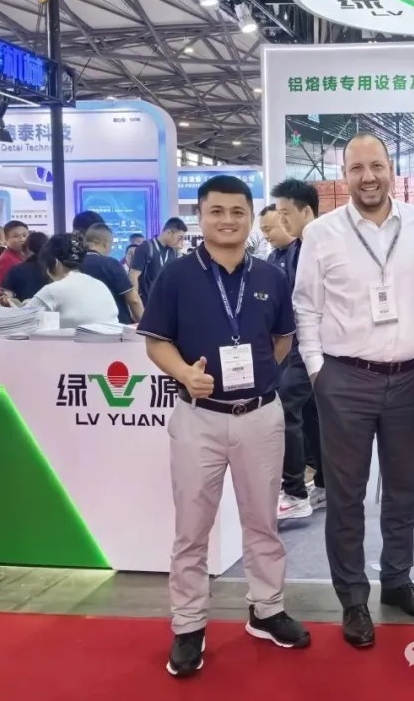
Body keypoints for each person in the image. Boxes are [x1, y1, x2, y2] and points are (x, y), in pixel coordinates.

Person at [137, 175, 310, 678]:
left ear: (252, 216)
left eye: (238, 211)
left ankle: (267, 609)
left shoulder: (271, 275)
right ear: (201, 216)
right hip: (200, 418)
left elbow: (281, 340)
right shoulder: (176, 275)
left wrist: (257, 379)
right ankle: (189, 624)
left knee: (263, 522)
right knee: (192, 529)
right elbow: (156, 341)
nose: (228, 220)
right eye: (217, 211)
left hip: (260, 416)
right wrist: (185, 373)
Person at [293, 133, 414, 648]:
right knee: (346, 495)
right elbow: (306, 305)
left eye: (376, 165)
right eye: (357, 168)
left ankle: (397, 580)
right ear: (344, 175)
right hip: (345, 379)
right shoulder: (322, 232)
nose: (368, 177)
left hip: (409, 379)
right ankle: (353, 597)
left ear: (391, 168)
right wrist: (318, 371)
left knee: (402, 490)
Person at [269, 179, 324, 520]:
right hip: (299, 347)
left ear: (306, 211)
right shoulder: (293, 250)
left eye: (285, 213)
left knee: (284, 408)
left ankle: (294, 492)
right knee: (312, 415)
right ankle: (325, 485)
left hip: (319, 346)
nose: (281, 221)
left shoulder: (325, 246)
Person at [25, 234, 121, 328]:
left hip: (78, 338)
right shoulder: (99, 284)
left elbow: (21, 322)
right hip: (113, 336)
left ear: (56, 263)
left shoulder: (53, 290)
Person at [81, 223, 144, 324]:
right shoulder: (110, 264)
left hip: (84, 324)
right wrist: (144, 325)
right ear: (105, 243)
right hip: (115, 325)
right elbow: (134, 300)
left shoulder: (75, 265)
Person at [131, 218, 187, 307]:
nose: (181, 241)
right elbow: (133, 275)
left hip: (166, 304)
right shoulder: (146, 247)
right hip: (147, 304)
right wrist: (136, 303)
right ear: (169, 232)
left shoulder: (173, 251)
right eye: (179, 238)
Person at [2, 231, 49, 302]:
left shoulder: (16, 270)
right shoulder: (56, 269)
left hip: (24, 307)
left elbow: (7, 294)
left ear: (27, 249)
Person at [0, 220, 30, 287]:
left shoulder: (27, 256)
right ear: (6, 238)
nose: (22, 239)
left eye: (24, 235)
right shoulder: (6, 261)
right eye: (16, 236)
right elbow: (1, 289)